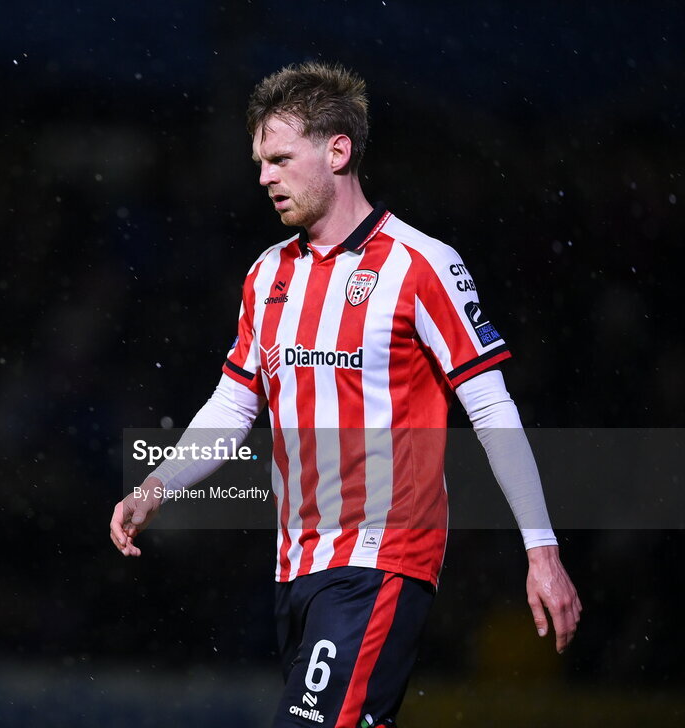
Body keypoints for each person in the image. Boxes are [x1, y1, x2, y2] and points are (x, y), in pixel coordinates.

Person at [109, 62, 581, 728]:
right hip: (295, 567)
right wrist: (158, 484)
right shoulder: (266, 275)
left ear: (338, 151)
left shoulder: (422, 265)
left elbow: (491, 406)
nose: (265, 176)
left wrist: (542, 550)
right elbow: (236, 404)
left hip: (382, 560)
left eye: (279, 158)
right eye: (258, 162)